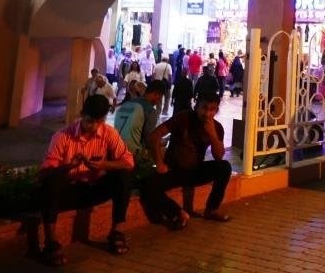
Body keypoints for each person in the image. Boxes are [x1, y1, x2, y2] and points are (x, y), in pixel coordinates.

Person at [37, 94, 135, 265]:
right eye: (90, 121)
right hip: (69, 192)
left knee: (124, 175)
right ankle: (51, 242)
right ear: (82, 114)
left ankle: (116, 232)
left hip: (93, 188)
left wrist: (104, 165)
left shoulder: (108, 133)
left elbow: (128, 162)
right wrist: (69, 166)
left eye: (99, 121)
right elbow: (45, 173)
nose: (94, 126)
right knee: (51, 181)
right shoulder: (62, 136)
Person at [143, 91, 232, 229]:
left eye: (212, 109)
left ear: (216, 110)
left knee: (224, 167)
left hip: (195, 171)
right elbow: (154, 136)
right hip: (173, 170)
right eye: (204, 108)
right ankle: (178, 213)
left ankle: (212, 209)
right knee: (147, 185)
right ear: (196, 106)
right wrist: (159, 163)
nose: (207, 113)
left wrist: (213, 135)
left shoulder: (217, 127)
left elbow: (218, 156)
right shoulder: (183, 118)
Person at [113, 81, 164, 159]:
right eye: (160, 98)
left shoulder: (127, 103)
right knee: (162, 151)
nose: (159, 102)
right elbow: (149, 140)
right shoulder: (150, 110)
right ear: (157, 94)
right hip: (132, 155)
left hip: (115, 148)